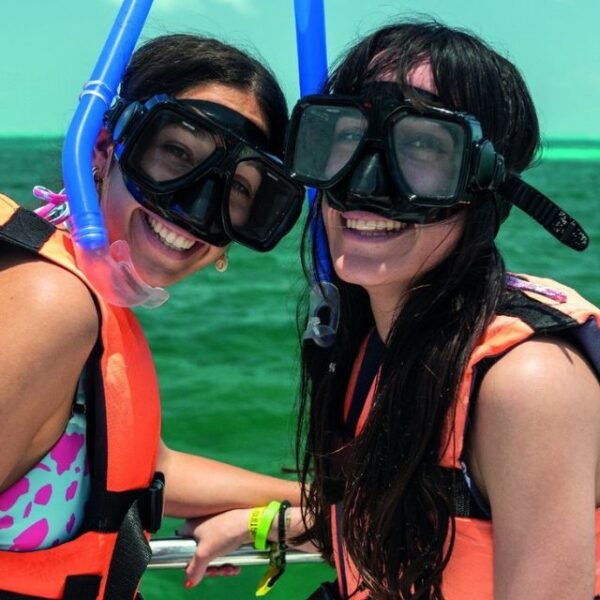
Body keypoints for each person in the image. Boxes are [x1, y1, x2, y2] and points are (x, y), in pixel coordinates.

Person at [184, 18, 600, 599]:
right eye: (343, 137)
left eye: (424, 146)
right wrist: (274, 522)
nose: (365, 183)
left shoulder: (527, 383)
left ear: (484, 182)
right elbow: (424, 516)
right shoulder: (377, 342)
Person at [0, 33, 304, 598]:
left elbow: (145, 461)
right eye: (176, 153)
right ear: (103, 147)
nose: (194, 209)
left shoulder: (79, 287)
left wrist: (309, 504)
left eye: (236, 186)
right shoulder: (53, 303)